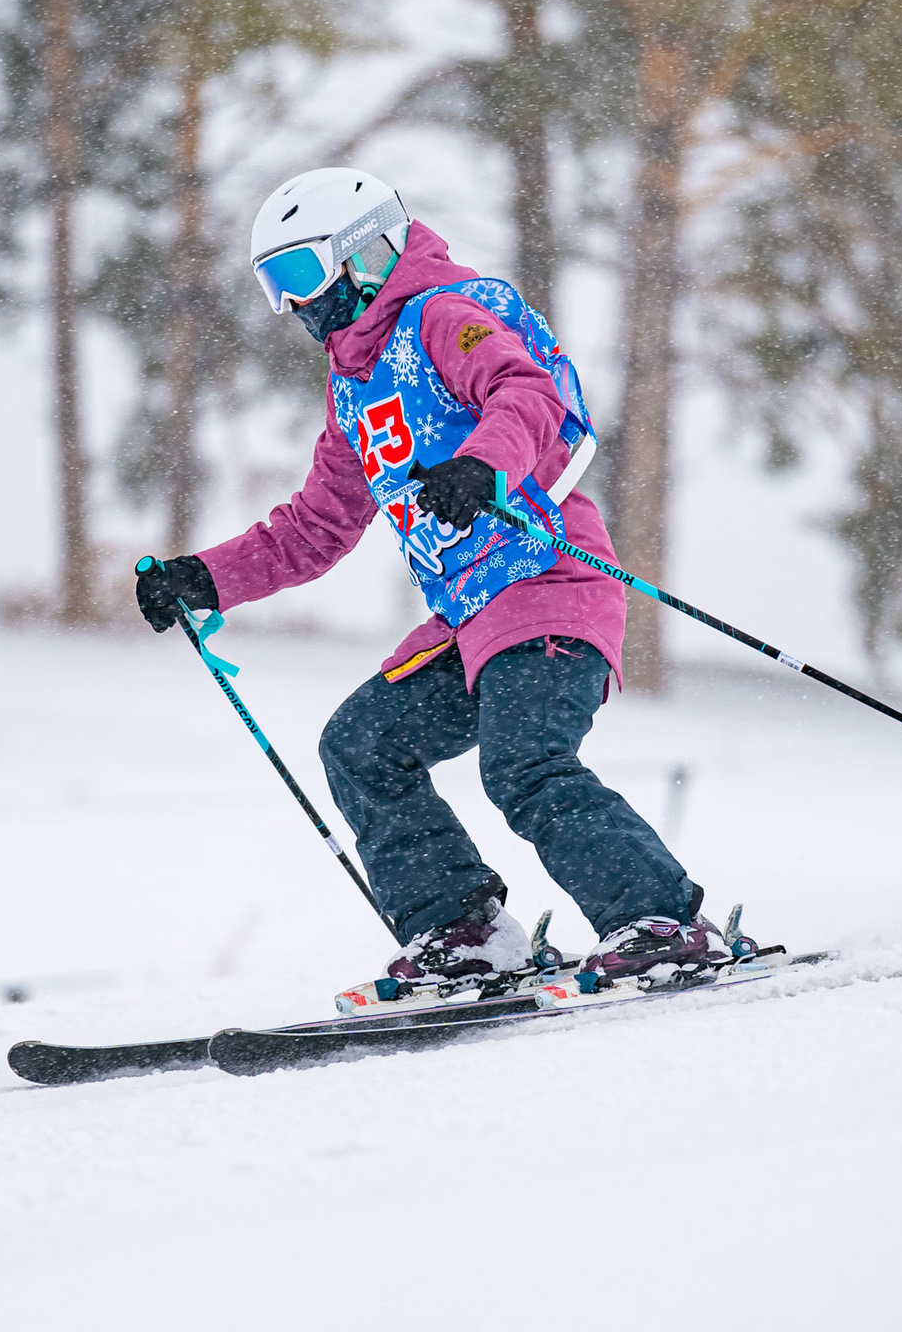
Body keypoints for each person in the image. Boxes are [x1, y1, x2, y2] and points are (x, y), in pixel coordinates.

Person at [136, 167, 724, 1001]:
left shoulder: (443, 313)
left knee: (525, 762)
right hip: (466, 620)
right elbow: (315, 526)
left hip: (549, 581)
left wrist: (484, 464)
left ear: (362, 251)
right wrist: (204, 579)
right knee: (362, 744)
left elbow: (526, 391)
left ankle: (662, 922)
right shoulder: (355, 389)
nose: (292, 304)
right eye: (274, 286)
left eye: (300, 274)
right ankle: (465, 932)